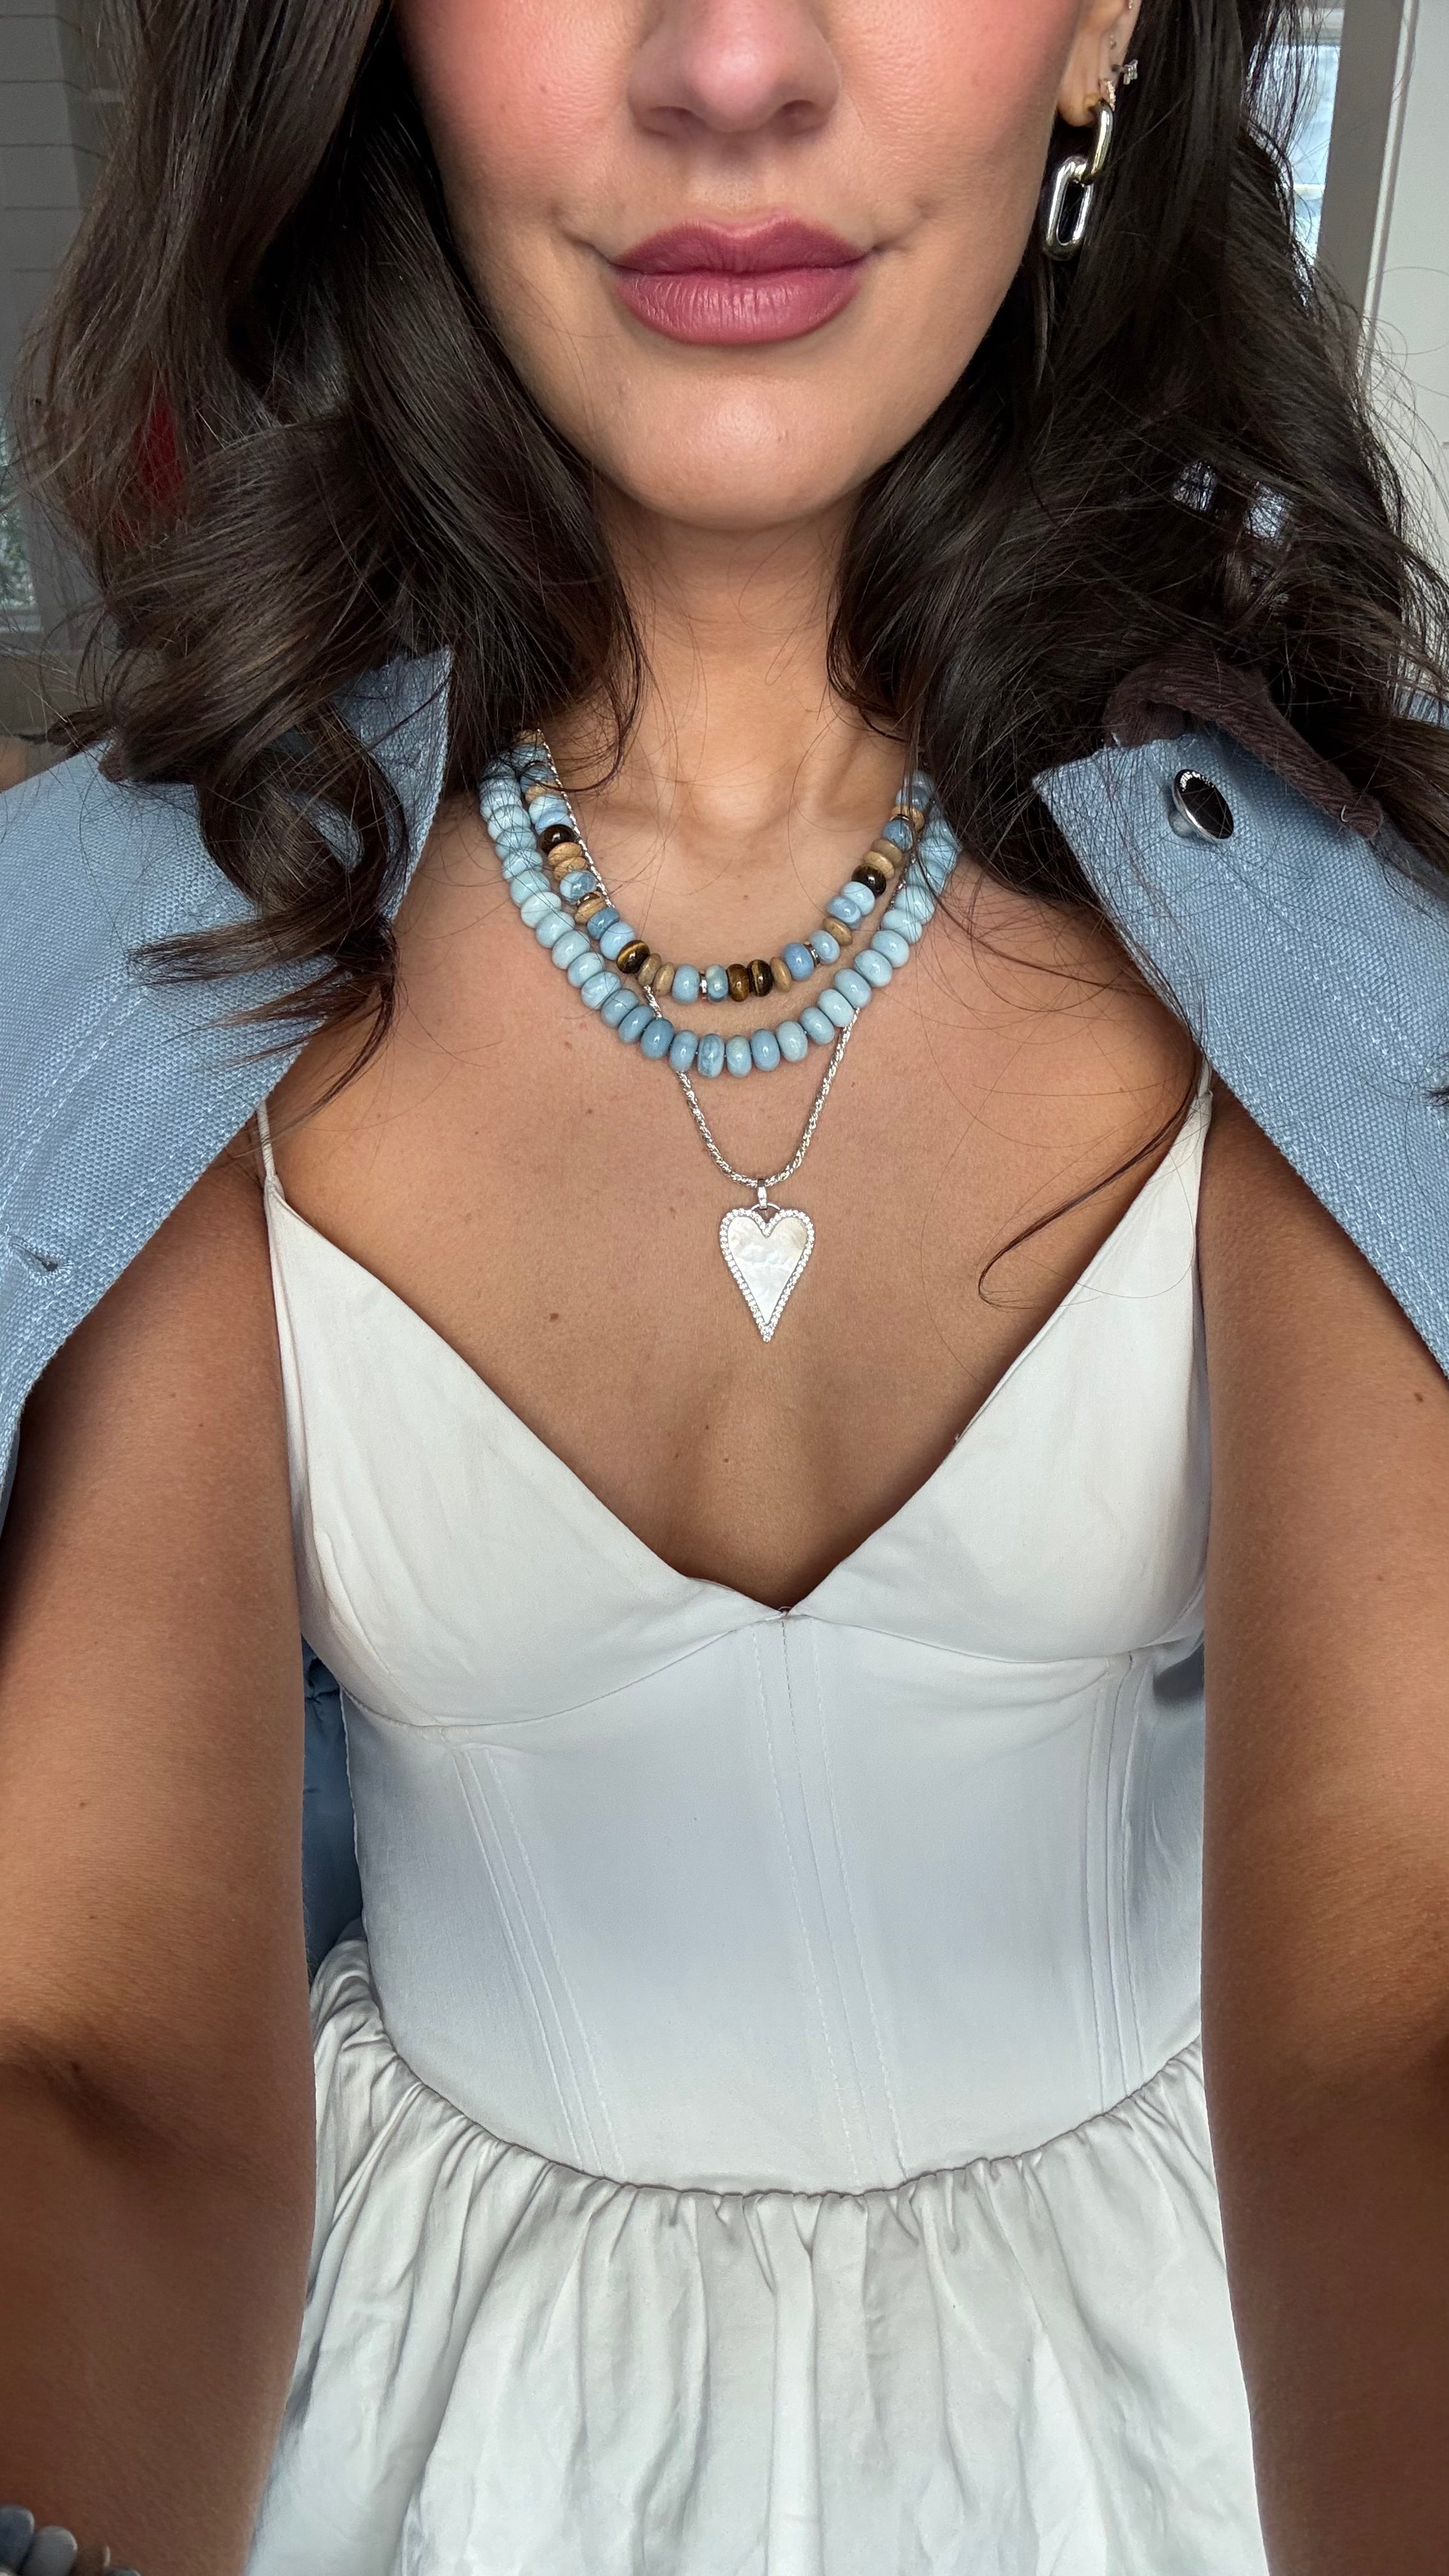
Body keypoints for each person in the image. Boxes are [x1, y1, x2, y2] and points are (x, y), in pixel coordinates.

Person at [1, 1, 1446, 2572]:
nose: (737, 65)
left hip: (1172, 2397)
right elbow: (96, 2047)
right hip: (408, 2408)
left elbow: (1393, 2019)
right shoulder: (154, 937)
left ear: (1107, 27)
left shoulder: (1339, 919)